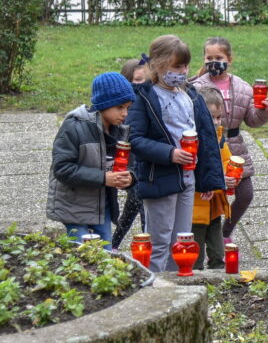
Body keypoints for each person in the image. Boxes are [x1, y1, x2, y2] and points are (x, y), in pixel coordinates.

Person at [126, 35, 224, 272]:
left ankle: (177, 286)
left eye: (185, 66)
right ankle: (156, 288)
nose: (183, 71)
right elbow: (134, 139)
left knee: (182, 241)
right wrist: (169, 153)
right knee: (159, 242)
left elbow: (205, 137)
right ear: (158, 65)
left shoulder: (189, 94)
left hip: (187, 178)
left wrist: (207, 178)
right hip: (159, 177)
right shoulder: (144, 97)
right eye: (177, 66)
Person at [190, 36, 268, 243]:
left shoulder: (243, 87)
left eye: (219, 57)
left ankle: (226, 232)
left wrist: (263, 111)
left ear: (229, 59)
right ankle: (207, 238)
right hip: (207, 148)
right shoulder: (196, 88)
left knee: (245, 194)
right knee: (211, 196)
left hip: (235, 149)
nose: (213, 62)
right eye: (209, 57)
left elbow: (252, 121)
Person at [46, 72, 135, 246]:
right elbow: (62, 169)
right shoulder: (74, 127)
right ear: (104, 104)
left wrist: (130, 178)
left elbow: (127, 165)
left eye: (128, 108)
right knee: (83, 258)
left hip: (102, 208)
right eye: (120, 107)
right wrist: (103, 178)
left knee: (105, 254)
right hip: (74, 208)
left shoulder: (119, 131)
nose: (125, 113)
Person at [191, 87, 235, 270]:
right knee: (196, 256)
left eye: (219, 117)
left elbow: (225, 161)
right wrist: (221, 181)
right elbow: (201, 173)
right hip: (196, 211)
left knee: (218, 253)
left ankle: (218, 279)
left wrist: (231, 175)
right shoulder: (194, 142)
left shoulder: (219, 138)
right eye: (212, 117)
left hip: (215, 208)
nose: (216, 122)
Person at [110, 56, 149, 250]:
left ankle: (113, 245)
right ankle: (144, 247)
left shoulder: (149, 104)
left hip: (143, 166)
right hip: (130, 168)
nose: (141, 85)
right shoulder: (122, 110)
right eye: (138, 81)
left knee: (132, 209)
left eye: (144, 80)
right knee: (139, 207)